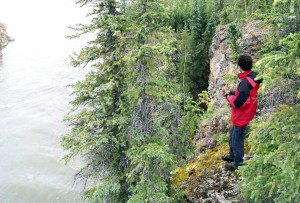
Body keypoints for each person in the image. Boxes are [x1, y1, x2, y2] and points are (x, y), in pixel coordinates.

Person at [222, 53, 262, 171]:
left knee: (237, 139)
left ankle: (238, 163)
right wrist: (233, 92)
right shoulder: (252, 76)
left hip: (242, 114)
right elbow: (246, 94)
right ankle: (232, 155)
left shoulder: (245, 82)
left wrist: (229, 97)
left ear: (239, 66)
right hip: (247, 111)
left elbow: (238, 102)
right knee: (232, 134)